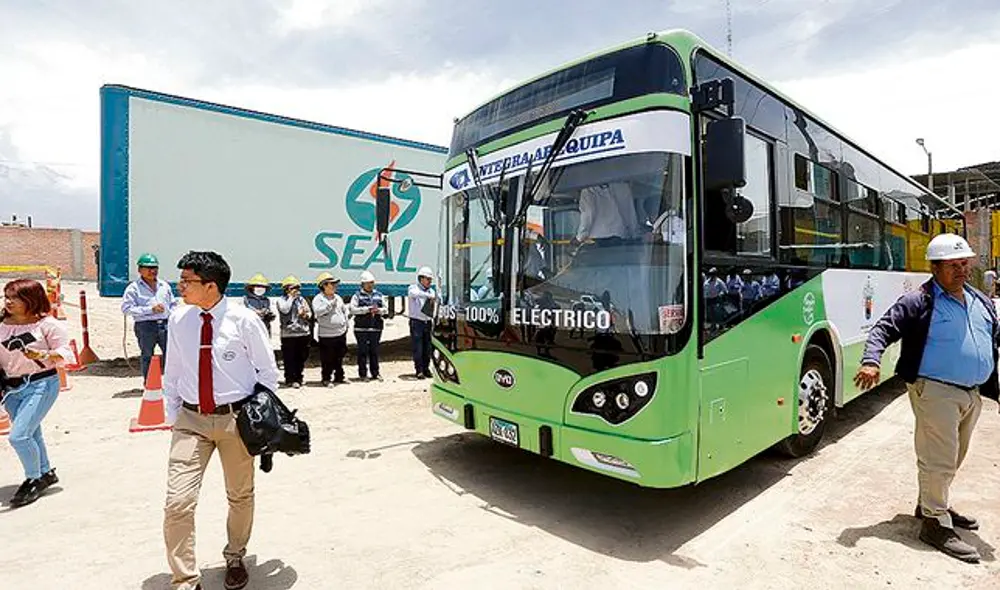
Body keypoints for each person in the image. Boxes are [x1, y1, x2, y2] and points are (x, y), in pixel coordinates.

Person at [854, 233, 998, 564]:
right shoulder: (919, 301)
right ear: (935, 268)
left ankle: (930, 502)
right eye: (953, 265)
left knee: (955, 455)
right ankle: (934, 522)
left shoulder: (979, 300)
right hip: (934, 390)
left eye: (965, 264)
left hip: (971, 393)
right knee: (941, 457)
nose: (962, 271)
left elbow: (993, 336)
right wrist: (871, 360)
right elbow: (883, 329)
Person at [162, 251, 280, 590]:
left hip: (235, 421)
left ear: (210, 286)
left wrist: (261, 418)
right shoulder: (178, 319)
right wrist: (174, 416)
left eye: (187, 281)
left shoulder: (244, 320)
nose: (180, 286)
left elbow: (267, 373)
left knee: (240, 495)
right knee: (177, 502)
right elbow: (172, 370)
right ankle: (185, 579)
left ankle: (235, 555)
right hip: (190, 420)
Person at [0, 279, 71, 508]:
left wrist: (42, 356)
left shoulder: (48, 325)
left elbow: (66, 354)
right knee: (32, 432)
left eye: (15, 297)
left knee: (19, 436)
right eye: (6, 296)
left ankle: (33, 479)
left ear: (31, 299)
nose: (8, 301)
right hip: (11, 388)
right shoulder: (1, 324)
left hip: (41, 384)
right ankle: (45, 472)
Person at [121, 253, 177, 381]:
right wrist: (150, 310)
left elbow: (173, 303)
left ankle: (171, 383)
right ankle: (149, 384)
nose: (153, 271)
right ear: (140, 270)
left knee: (171, 355)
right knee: (147, 355)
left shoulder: (164, 286)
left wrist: (172, 315)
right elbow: (126, 308)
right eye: (148, 268)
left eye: (155, 267)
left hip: (165, 324)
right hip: (145, 326)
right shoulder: (133, 289)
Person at [572, 181, 641, 247]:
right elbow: (629, 212)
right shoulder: (622, 186)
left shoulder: (588, 190)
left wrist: (580, 237)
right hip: (620, 236)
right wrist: (635, 235)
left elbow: (588, 213)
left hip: (598, 239)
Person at [312, 272, 349, 387]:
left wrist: (346, 323)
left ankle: (339, 377)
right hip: (326, 334)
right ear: (324, 285)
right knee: (327, 358)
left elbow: (343, 311)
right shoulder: (318, 299)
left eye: (334, 284)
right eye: (331, 284)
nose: (334, 286)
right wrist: (329, 305)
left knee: (339, 357)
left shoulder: (338, 297)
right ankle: (326, 378)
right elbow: (317, 312)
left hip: (340, 333)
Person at [349, 270, 387, 382]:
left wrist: (378, 310)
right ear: (362, 284)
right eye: (368, 283)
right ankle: (363, 374)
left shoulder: (379, 295)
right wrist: (366, 310)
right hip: (361, 328)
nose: (370, 285)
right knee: (362, 351)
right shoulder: (357, 296)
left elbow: (385, 309)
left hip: (376, 327)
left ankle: (375, 373)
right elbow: (352, 309)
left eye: (372, 282)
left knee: (374, 351)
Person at [276, 275, 311, 389]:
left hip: (302, 332)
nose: (296, 290)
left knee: (301, 357)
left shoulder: (302, 300)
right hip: (288, 334)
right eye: (293, 288)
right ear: (286, 289)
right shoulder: (282, 300)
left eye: (297, 288)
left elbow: (309, 313)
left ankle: (299, 378)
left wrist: (305, 314)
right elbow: (284, 309)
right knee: (289, 357)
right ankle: (290, 379)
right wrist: (291, 298)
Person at [407, 267, 436, 379]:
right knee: (417, 347)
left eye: (430, 279)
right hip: (416, 322)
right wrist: (430, 296)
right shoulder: (413, 288)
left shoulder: (431, 291)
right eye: (427, 279)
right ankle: (419, 370)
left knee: (427, 347)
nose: (429, 281)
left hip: (427, 322)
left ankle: (426, 368)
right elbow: (414, 294)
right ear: (421, 279)